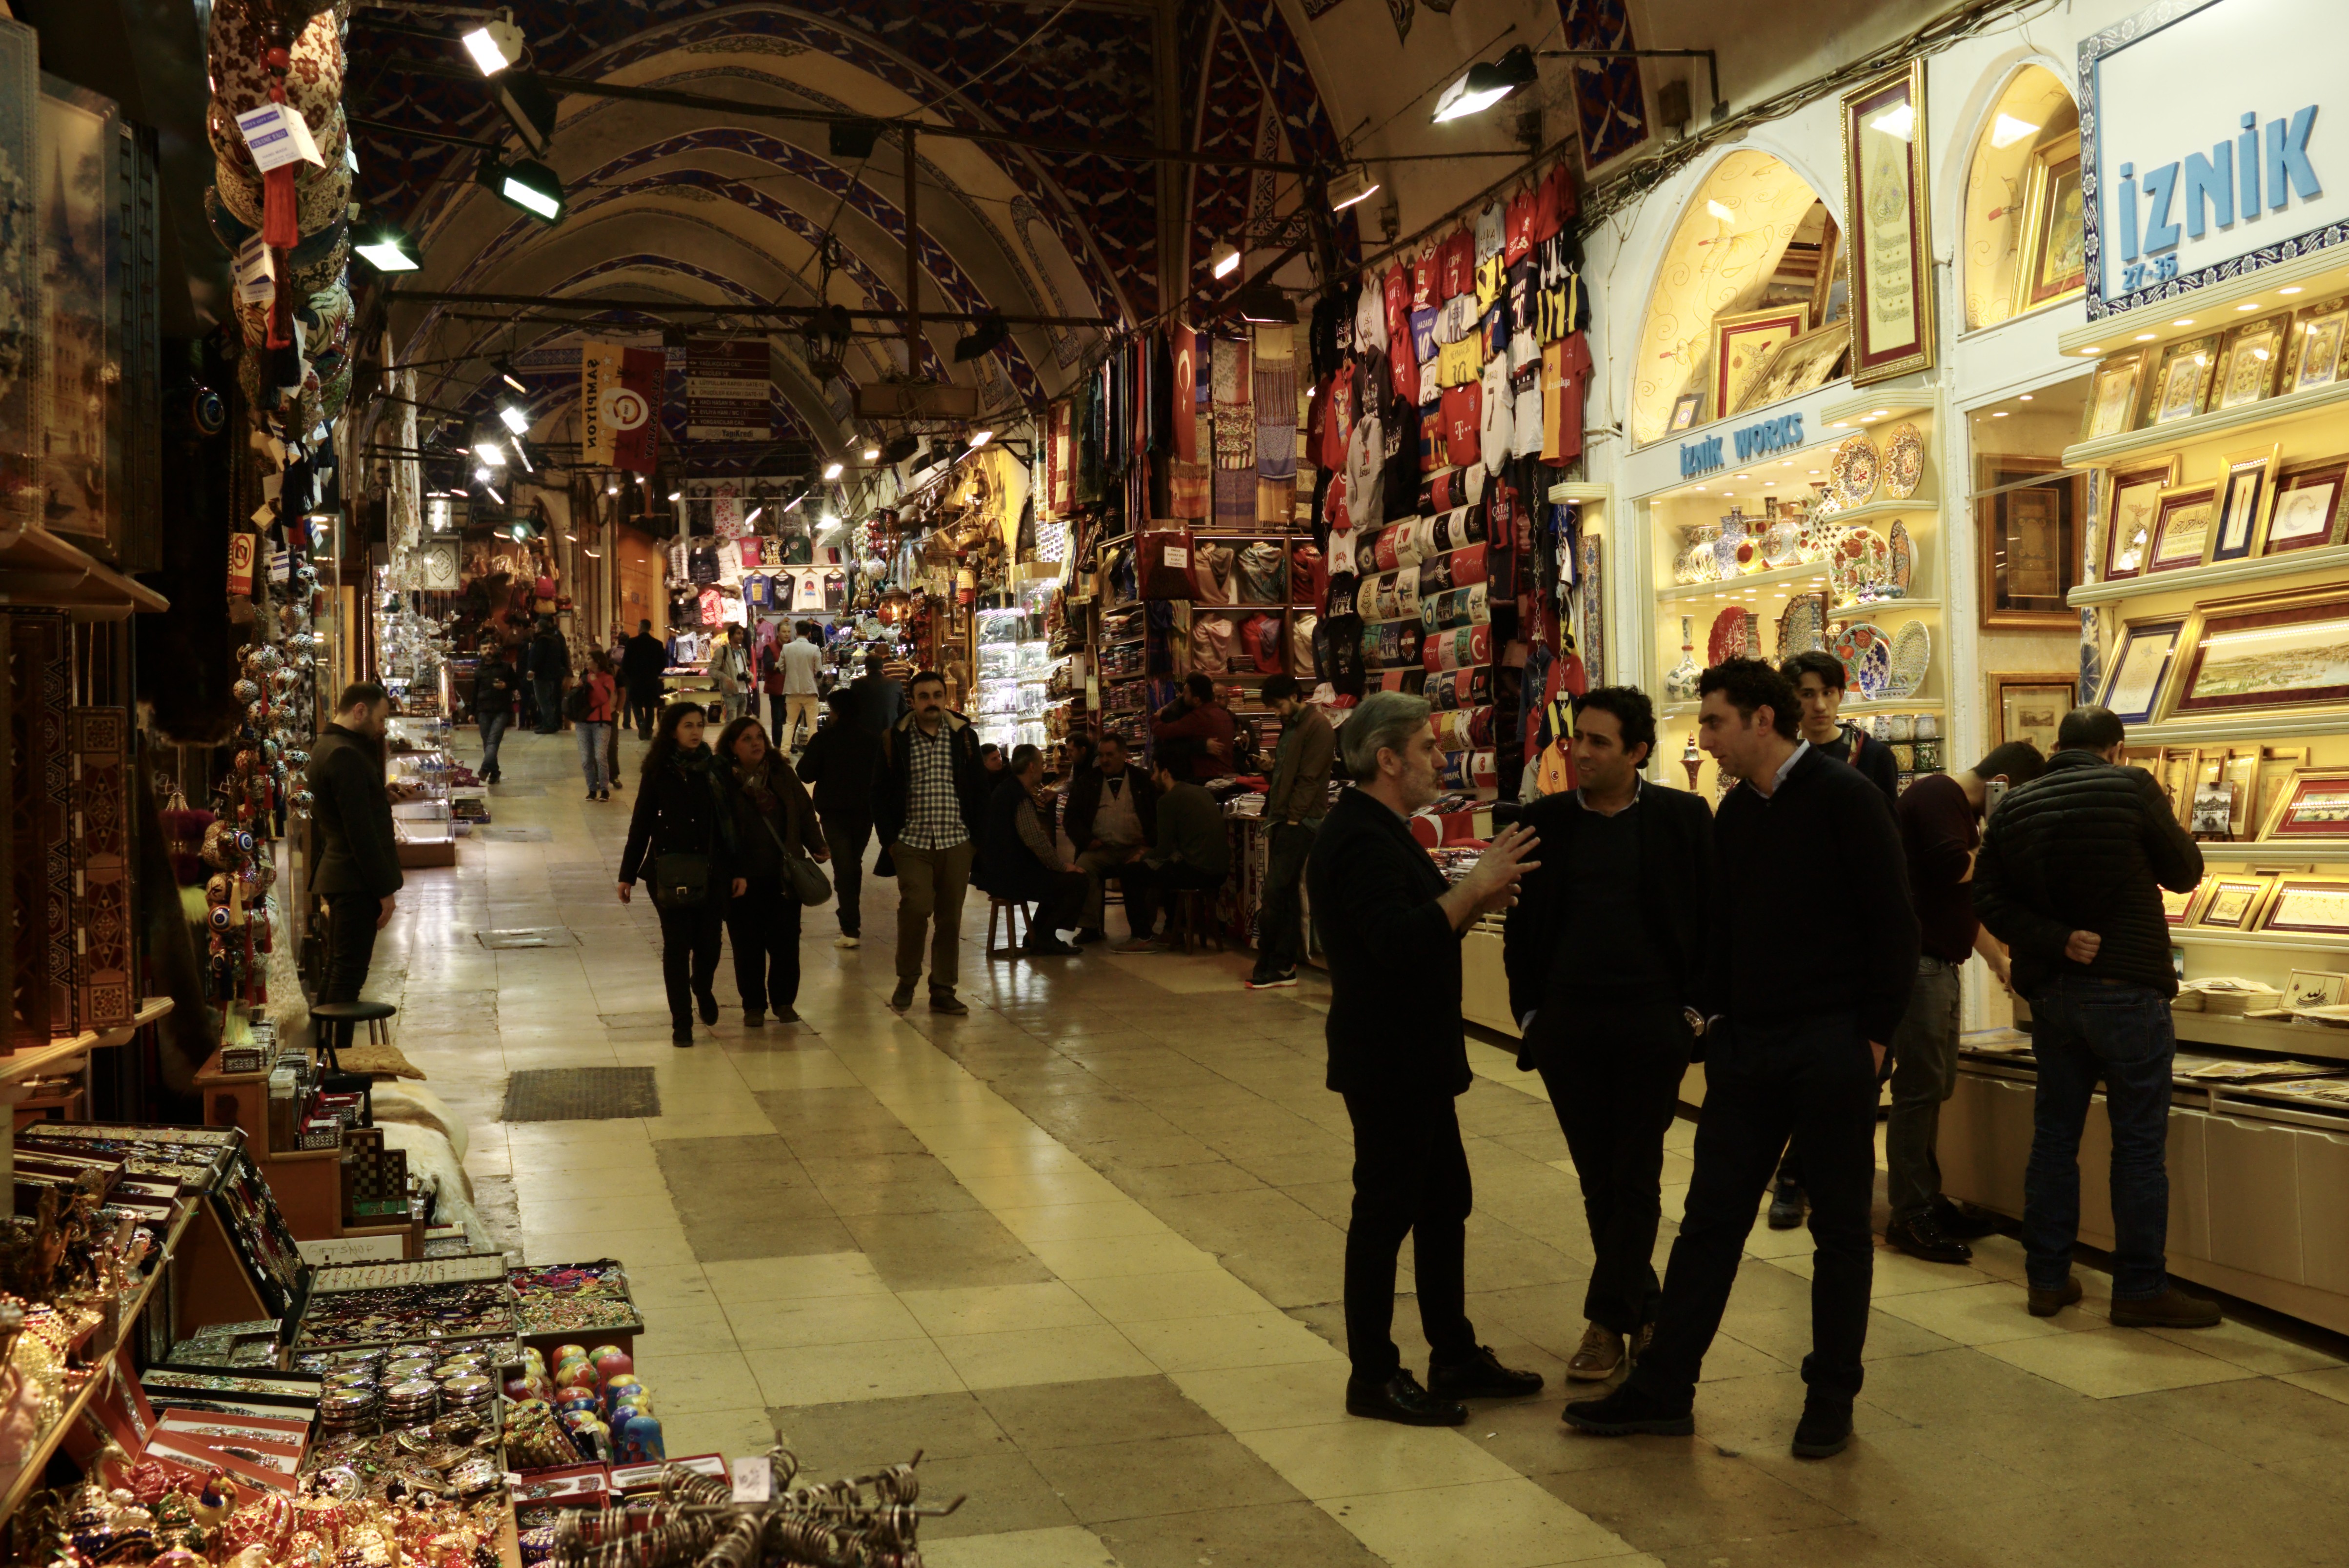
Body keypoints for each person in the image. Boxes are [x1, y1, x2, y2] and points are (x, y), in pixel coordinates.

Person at [1566, 658, 1916, 1461]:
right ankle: (1663, 1389)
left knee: (1840, 1232)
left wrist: (1870, 1040)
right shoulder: (1736, 815)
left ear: (1763, 719)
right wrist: (1716, 1021)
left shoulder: (1848, 799)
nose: (1706, 739)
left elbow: (1894, 925)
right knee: (1711, 1221)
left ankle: (1831, 1396)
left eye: (1716, 722)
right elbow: (1720, 930)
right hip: (1751, 1047)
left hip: (1831, 1045)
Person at [1308, 690, 1546, 1426]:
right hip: (1386, 1058)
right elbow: (1395, 942)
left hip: (1413, 1051)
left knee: (1443, 1201)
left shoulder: (1385, 828)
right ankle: (1373, 1374)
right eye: (1426, 749)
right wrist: (1470, 887)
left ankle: (1452, 1351)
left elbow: (1421, 928)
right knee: (1386, 1211)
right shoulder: (1356, 837)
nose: (1439, 759)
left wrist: (1479, 898)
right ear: (1386, 759)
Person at [1973, 704, 2218, 1329]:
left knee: (2054, 1137)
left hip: (2052, 994)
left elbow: (1989, 900)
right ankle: (2139, 1287)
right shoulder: (2132, 786)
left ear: (2057, 746)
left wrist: (2056, 938)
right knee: (2138, 1145)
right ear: (2116, 747)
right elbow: (2186, 872)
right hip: (2128, 988)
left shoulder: (2017, 804)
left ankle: (2047, 1279)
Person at [1503, 686, 1714, 1383]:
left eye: (1598, 742)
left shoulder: (1682, 817)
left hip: (1652, 1023)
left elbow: (1711, 922)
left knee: (1636, 1173)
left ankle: (1604, 1322)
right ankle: (1643, 1308)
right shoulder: (1545, 822)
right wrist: (1529, 1014)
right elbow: (1521, 928)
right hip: (1566, 1024)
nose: (1581, 752)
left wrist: (1691, 1013)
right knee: (1599, 1178)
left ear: (1636, 752)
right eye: (1577, 739)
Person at [1881, 740, 2048, 1264]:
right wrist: (1999, 842)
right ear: (2001, 783)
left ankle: (1928, 1198)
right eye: (2015, 798)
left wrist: (1999, 960)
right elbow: (1954, 868)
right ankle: (1910, 1212)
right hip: (1920, 964)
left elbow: (1956, 902)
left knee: (1934, 1085)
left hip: (1936, 963)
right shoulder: (1939, 796)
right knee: (1919, 1089)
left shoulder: (1951, 807)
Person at [1767, 650, 1901, 1230]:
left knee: (1862, 1066)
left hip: (1859, 927)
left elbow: (1886, 847)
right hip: (1797, 930)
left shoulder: (1872, 756)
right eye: (1805, 693)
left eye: (1827, 692)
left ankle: (1807, 1175)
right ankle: (1795, 1174)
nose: (1818, 705)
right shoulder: (1780, 758)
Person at [617, 702, 741, 1046]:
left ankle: (701, 985)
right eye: (688, 725)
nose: (695, 731)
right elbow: (640, 824)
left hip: (712, 871)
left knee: (710, 946)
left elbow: (731, 825)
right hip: (668, 874)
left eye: (700, 725)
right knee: (676, 947)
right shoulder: (658, 771)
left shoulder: (716, 770)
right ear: (672, 730)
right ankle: (681, 1024)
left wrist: (737, 870)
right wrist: (626, 874)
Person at [874, 670, 989, 1014]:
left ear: (945, 698)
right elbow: (878, 794)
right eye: (924, 696)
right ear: (913, 701)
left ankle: (942, 988)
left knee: (950, 918)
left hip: (956, 840)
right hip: (912, 841)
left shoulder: (964, 736)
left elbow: (981, 791)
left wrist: (976, 840)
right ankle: (907, 977)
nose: (932, 702)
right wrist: (891, 841)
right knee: (916, 907)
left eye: (937, 695)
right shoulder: (894, 739)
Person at [717, 715, 827, 1026]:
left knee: (786, 943)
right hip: (742, 878)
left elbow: (804, 812)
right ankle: (753, 1006)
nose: (756, 744)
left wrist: (817, 844)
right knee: (746, 945)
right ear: (732, 747)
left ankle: (783, 1002)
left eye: (759, 738)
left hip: (783, 875)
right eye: (747, 739)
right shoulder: (722, 780)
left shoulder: (781, 774)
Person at [308, 683, 403, 1012]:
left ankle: (326, 1055)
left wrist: (380, 794)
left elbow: (348, 808)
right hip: (353, 879)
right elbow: (359, 831)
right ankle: (339, 1057)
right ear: (360, 710)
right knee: (347, 977)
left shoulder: (326, 746)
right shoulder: (345, 754)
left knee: (338, 970)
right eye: (381, 719)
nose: (382, 728)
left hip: (342, 874)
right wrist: (384, 890)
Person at [1247, 675, 1335, 990]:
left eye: (1278, 705)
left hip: (1299, 821)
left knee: (1275, 891)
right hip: (1282, 818)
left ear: (1295, 695)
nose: (1276, 712)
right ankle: (1282, 963)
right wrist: (1268, 768)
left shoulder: (1317, 727)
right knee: (1281, 893)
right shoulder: (1293, 726)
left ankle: (1277, 962)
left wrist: (1294, 820)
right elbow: (1290, 771)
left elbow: (1310, 779)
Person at [1112, 740, 1233, 954]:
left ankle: (1142, 936)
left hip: (1198, 872)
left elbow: (1164, 850)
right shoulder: (1202, 792)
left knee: (1130, 873)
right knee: (1167, 870)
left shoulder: (1168, 800)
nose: (1152, 777)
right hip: (1220, 872)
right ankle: (1172, 930)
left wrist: (1142, 857)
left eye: (1155, 771)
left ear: (1166, 773)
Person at [978, 744, 1086, 956]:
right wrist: (1061, 866)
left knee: (1056, 879)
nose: (1044, 767)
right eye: (1041, 763)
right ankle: (1045, 938)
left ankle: (1037, 934)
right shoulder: (1018, 796)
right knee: (1077, 882)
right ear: (1031, 767)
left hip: (997, 871)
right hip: (1009, 875)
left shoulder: (1008, 789)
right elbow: (1035, 839)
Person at [798, 687, 882, 950]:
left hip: (834, 814)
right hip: (864, 813)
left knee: (845, 868)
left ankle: (850, 926)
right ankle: (850, 922)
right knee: (851, 865)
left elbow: (805, 773)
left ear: (835, 712)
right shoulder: (872, 740)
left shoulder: (824, 740)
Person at [1063, 732, 1158, 944]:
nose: (1104, 760)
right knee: (1083, 869)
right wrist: (1087, 841)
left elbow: (1157, 816)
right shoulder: (1088, 781)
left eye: (1110, 755)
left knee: (1151, 866)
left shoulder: (1143, 780)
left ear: (1124, 754)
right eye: (1102, 755)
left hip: (1137, 848)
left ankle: (1144, 929)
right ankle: (1089, 927)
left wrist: (1147, 845)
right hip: (1100, 850)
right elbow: (1070, 818)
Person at [1150, 674, 1237, 780]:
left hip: (1208, 779)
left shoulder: (1199, 717)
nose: (1182, 695)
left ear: (1196, 700)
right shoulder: (1225, 715)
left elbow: (1163, 731)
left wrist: (1155, 718)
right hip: (1227, 775)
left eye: (1186, 692)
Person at [575, 649, 619, 802]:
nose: (587, 661)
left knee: (600, 757)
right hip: (583, 722)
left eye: (589, 658)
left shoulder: (608, 678)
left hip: (601, 722)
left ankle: (605, 790)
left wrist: (593, 680)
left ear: (598, 661)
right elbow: (575, 695)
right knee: (586, 759)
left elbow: (603, 698)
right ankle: (592, 789)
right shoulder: (584, 677)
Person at [473, 643, 520, 783]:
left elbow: (517, 683)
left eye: (490, 648)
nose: (488, 651)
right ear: (480, 651)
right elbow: (475, 693)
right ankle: (495, 772)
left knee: (493, 741)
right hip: (484, 711)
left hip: (502, 710)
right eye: (484, 648)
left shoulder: (506, 667)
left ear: (495, 650)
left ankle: (485, 769)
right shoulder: (479, 670)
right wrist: (472, 712)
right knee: (487, 743)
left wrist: (506, 686)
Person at [777, 621, 824, 750]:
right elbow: (819, 672)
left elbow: (781, 668)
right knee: (812, 725)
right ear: (809, 634)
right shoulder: (814, 649)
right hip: (810, 691)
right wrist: (818, 683)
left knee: (790, 723)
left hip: (792, 691)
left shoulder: (787, 648)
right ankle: (812, 753)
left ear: (796, 633)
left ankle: (784, 753)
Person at [619, 619, 667, 739]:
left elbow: (625, 664)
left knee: (636, 704)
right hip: (651, 681)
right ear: (649, 628)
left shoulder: (631, 643)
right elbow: (663, 664)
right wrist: (655, 673)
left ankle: (641, 723)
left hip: (636, 681)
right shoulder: (657, 644)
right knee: (650, 706)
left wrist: (631, 676)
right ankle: (649, 730)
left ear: (640, 627)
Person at [527, 617, 571, 734]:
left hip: (542, 675)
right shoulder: (554, 639)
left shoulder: (543, 640)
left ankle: (549, 724)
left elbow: (539, 658)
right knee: (547, 700)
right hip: (552, 675)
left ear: (540, 628)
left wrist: (533, 670)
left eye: (536, 627)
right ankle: (547, 723)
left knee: (543, 700)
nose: (535, 629)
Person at [849, 651, 903, 737]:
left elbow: (851, 710)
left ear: (866, 667)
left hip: (864, 734)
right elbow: (903, 712)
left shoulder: (857, 683)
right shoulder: (896, 684)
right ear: (882, 667)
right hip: (890, 734)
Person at [710, 625, 751, 725]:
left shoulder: (743, 651)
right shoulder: (722, 651)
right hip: (731, 692)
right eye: (738, 633)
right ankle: (729, 741)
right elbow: (711, 670)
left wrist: (750, 675)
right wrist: (725, 678)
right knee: (731, 722)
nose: (741, 636)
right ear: (731, 635)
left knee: (741, 723)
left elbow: (744, 668)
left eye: (742, 634)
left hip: (743, 691)